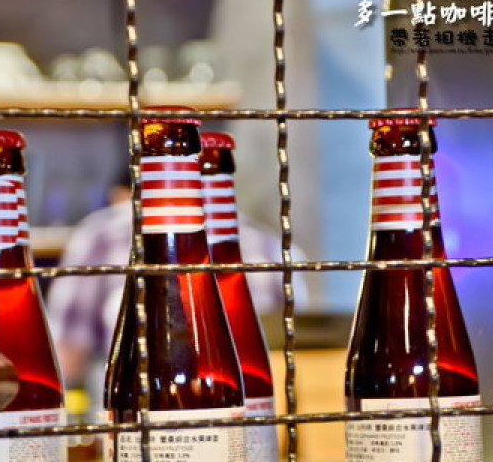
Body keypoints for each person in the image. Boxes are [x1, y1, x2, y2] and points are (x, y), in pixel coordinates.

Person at [46, 167, 308, 404]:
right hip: (260, 412)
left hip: (145, 410)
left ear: (123, 194)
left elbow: (68, 357)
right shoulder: (272, 244)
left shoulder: (102, 232)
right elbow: (305, 353)